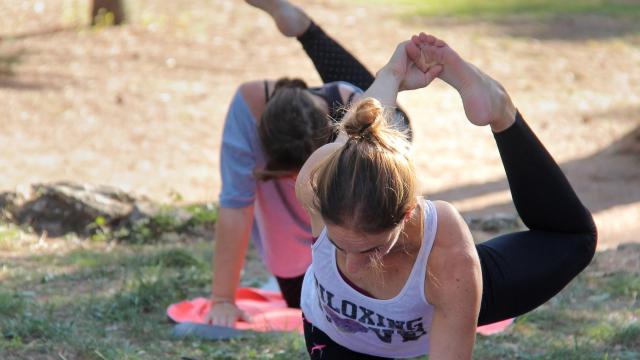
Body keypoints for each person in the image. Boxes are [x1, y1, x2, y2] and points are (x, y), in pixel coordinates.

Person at [295, 33, 597, 359]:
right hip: (337, 337)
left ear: (408, 213)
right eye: (340, 246)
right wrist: (391, 75)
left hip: (435, 285)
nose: (353, 267)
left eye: (371, 248)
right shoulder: (318, 182)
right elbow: (358, 136)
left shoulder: (447, 255)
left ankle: (501, 111)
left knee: (572, 239)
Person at [207, 0, 410, 326]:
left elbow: (392, 198)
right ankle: (308, 32)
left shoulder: (348, 116)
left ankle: (311, 36)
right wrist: (221, 300)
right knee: (372, 105)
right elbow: (235, 204)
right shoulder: (248, 108)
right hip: (298, 260)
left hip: (354, 210)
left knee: (384, 120)